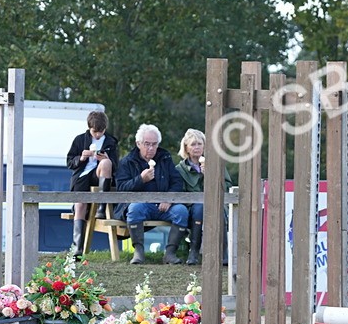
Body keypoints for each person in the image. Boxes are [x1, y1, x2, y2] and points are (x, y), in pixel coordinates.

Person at [114, 124, 189, 265]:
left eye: (154, 144)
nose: (151, 148)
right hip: (141, 205)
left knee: (181, 211)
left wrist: (168, 199)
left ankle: (170, 254)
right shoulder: (127, 162)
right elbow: (121, 189)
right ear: (138, 144)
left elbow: (177, 182)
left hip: (164, 205)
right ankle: (138, 252)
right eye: (147, 144)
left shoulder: (165, 158)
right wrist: (140, 179)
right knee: (135, 208)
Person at [64, 110, 119, 255]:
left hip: (100, 174)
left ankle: (102, 206)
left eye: (101, 132)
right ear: (89, 128)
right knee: (80, 205)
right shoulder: (79, 140)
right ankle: (77, 248)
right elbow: (69, 162)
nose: (98, 135)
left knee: (107, 163)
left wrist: (107, 158)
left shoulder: (111, 142)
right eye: (95, 132)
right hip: (82, 175)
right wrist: (81, 158)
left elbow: (116, 166)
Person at [175, 128, 230, 266]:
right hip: (192, 206)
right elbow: (179, 191)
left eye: (200, 144)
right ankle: (194, 251)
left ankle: (223, 253)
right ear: (186, 148)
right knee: (199, 208)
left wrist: (210, 176)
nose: (197, 147)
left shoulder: (216, 163)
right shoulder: (180, 169)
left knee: (220, 210)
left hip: (215, 202)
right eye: (193, 144)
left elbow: (227, 185)